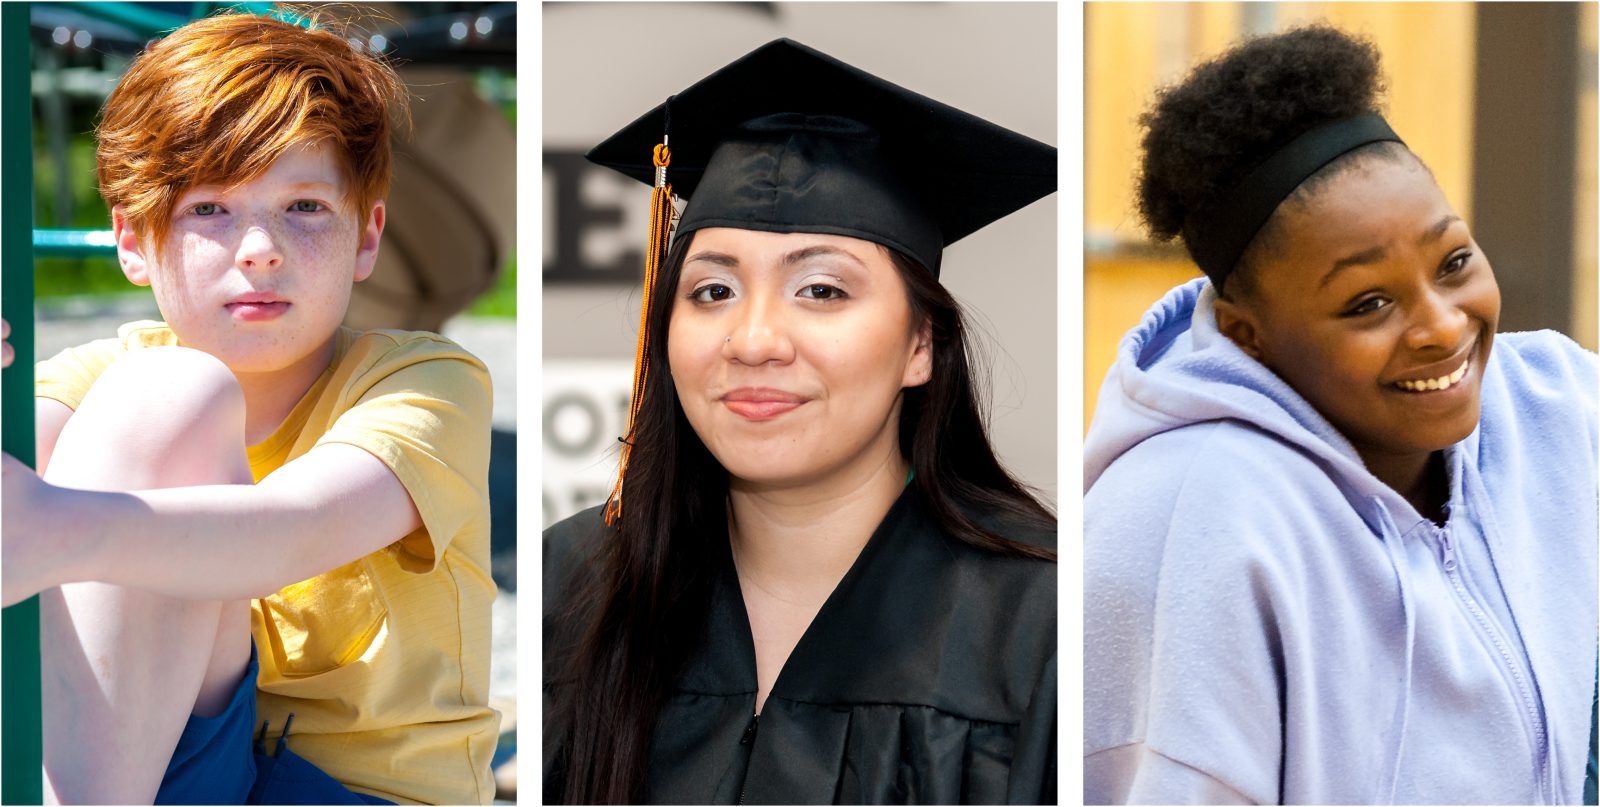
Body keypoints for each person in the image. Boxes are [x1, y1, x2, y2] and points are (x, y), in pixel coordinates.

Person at [1083, 25, 1597, 805]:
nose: (1443, 327)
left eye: (1453, 261)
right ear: (1246, 333)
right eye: (1368, 303)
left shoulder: (1555, 406)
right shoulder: (1192, 520)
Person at [542, 39, 1059, 805]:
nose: (753, 340)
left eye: (821, 290)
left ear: (922, 344)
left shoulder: (1037, 621)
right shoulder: (579, 579)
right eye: (713, 291)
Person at [0, 13, 498, 804]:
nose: (259, 246)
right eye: (208, 210)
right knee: (166, 393)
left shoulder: (427, 382)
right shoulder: (118, 374)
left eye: (304, 207)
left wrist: (55, 529)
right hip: (170, 768)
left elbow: (289, 531)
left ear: (368, 234)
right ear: (132, 241)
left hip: (355, 790)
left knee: (172, 397)